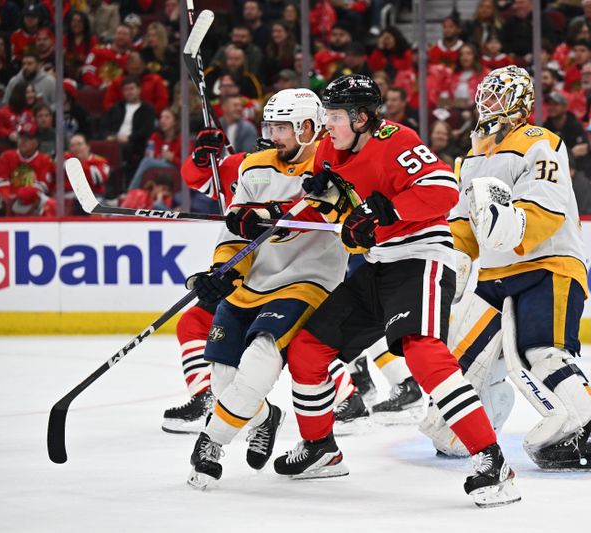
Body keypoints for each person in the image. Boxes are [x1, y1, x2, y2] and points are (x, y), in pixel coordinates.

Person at [273, 74, 521, 508]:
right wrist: (317, 198)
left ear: (362, 118)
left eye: (334, 117)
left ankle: (491, 459)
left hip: (420, 257)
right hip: (376, 262)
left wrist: (389, 208)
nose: (326, 125)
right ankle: (321, 449)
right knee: (307, 351)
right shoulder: (330, 149)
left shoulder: (397, 140)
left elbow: (443, 190)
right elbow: (339, 205)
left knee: (422, 352)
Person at [420, 65, 591, 472]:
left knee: (542, 352)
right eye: (487, 94)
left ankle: (588, 427)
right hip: (493, 275)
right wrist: (455, 257)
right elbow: (462, 221)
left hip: (548, 265)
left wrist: (509, 225)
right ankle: (468, 430)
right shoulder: (471, 156)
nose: (490, 102)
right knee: (462, 359)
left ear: (522, 103)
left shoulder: (540, 141)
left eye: (501, 95)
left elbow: (547, 205)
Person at [186, 89, 351, 488]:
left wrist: (278, 212)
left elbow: (338, 211)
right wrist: (224, 271)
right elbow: (236, 229)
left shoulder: (333, 164)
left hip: (308, 281)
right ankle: (264, 417)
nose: (274, 135)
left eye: (283, 127)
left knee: (260, 362)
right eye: (271, 126)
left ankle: (210, 443)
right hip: (256, 282)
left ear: (308, 128)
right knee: (225, 381)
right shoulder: (255, 167)